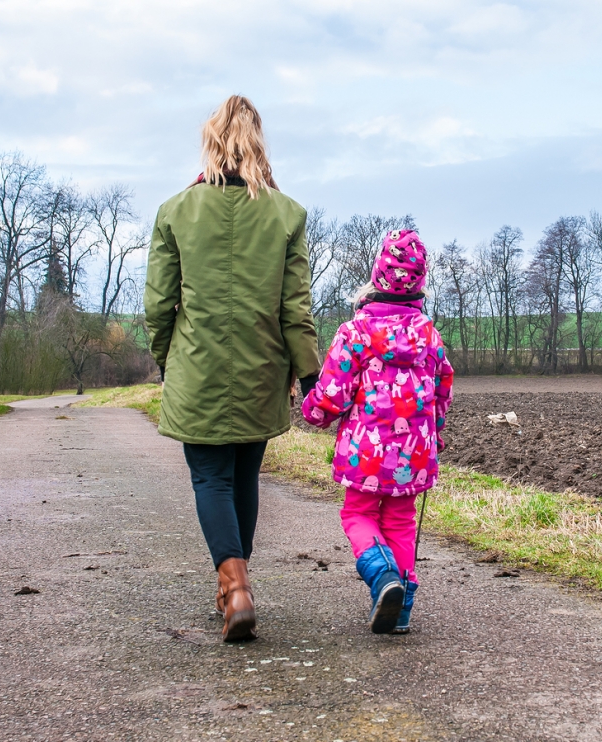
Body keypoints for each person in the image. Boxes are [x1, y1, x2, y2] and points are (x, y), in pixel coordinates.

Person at [144, 95, 321, 642]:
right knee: (244, 475)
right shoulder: (287, 213)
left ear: (212, 142)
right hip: (262, 371)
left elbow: (157, 305)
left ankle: (235, 587)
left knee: (210, 477)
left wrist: (166, 358)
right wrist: (311, 375)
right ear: (258, 145)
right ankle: (236, 585)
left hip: (197, 368)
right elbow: (296, 310)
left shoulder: (175, 211)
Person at [300, 229, 454, 634]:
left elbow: (333, 392)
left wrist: (311, 411)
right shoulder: (428, 335)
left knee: (358, 514)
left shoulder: (356, 333)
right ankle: (400, 610)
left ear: (377, 278)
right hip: (414, 453)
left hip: (365, 453)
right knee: (401, 521)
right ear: (419, 282)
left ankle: (383, 577)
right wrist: (434, 431)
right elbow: (443, 389)